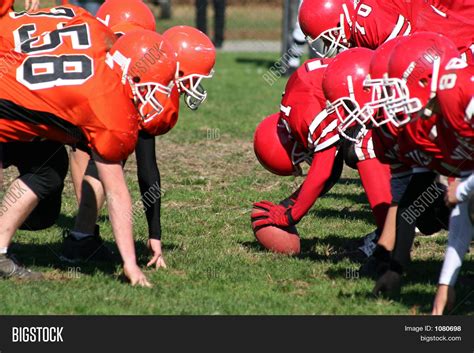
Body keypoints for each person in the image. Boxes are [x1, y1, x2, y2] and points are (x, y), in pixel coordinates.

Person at [0, 8, 178, 286]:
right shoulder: (110, 112)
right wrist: (130, 264)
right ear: (134, 76)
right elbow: (117, 193)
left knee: (47, 170)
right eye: (157, 85)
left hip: (11, 81)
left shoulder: (87, 24)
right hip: (7, 104)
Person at [252, 49, 392, 259]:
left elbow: (322, 172)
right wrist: (288, 204)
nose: (306, 162)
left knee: (360, 147)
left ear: (292, 148)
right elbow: (332, 172)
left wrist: (290, 215)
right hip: (374, 78)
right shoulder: (294, 99)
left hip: (375, 89)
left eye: (300, 162)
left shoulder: (302, 117)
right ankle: (401, 225)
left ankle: (388, 237)